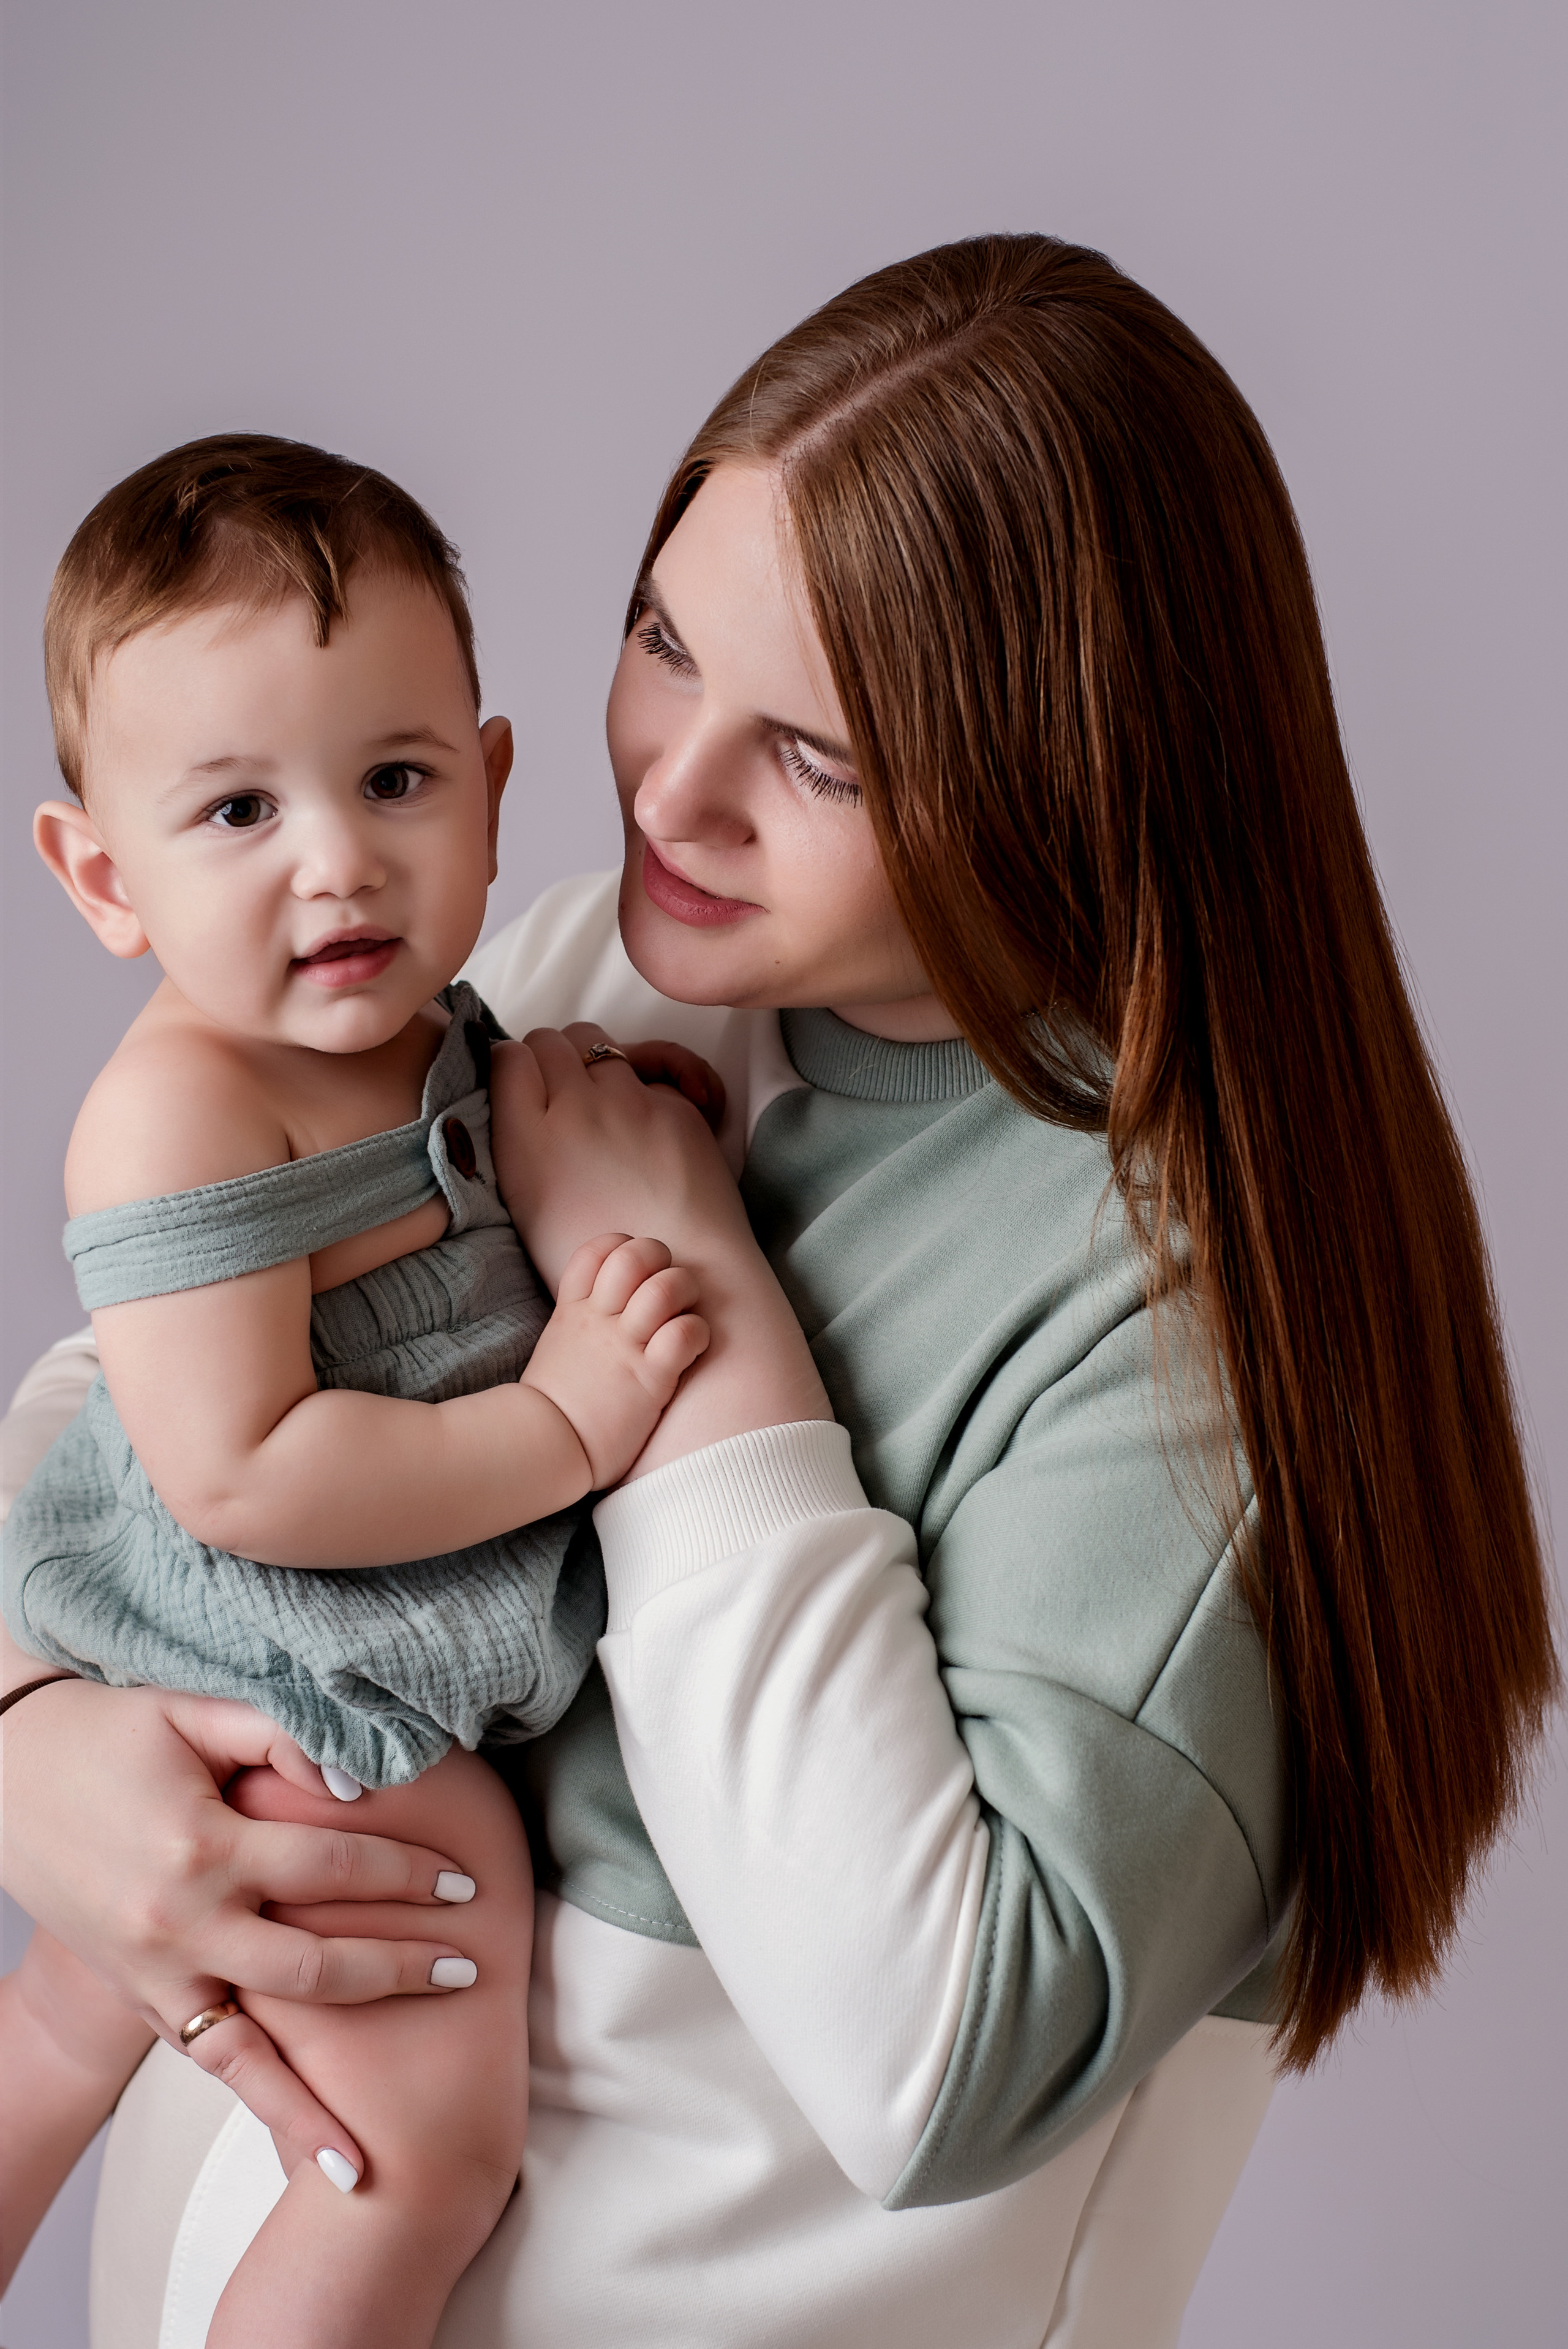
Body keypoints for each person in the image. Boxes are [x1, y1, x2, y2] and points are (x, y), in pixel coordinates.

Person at [1, 235, 1555, 2349]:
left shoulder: (1197, 1328)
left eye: (820, 755)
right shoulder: (593, 972)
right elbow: (137, 1421)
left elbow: (936, 2056)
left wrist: (686, 1296)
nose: (670, 786)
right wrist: (37, 1735)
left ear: (1072, 764)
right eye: (664, 638)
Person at [0, 436, 814, 2347]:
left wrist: (611, 1098)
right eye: (234, 814)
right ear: (103, 877)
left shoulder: (428, 1015)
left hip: (338, 1639)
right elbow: (249, 1471)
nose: (338, 859)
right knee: (422, 2154)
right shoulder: (183, 1110)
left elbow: (450, 1198)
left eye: (392, 780)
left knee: (61, 2017)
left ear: (492, 782)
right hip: (305, 1674)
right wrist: (568, 1423)